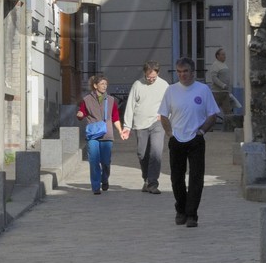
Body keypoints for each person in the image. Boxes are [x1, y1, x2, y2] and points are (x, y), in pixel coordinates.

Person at [159, 57, 219, 227]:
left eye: (185, 71)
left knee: (196, 178)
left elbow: (213, 114)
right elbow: (163, 114)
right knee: (177, 178)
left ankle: (192, 214)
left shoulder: (203, 89)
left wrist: (202, 131)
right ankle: (181, 209)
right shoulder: (171, 90)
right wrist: (170, 133)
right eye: (179, 71)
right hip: (177, 139)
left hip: (196, 139)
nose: (182, 75)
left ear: (192, 72)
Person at [77, 74, 128, 195]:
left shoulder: (111, 100)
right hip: (93, 135)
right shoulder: (86, 100)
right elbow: (82, 113)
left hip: (107, 134)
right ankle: (95, 186)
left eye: (106, 84)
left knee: (106, 162)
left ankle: (104, 179)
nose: (105, 86)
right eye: (102, 84)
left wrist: (120, 131)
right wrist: (79, 114)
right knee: (94, 161)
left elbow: (115, 117)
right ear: (95, 86)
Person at [123, 61, 170, 193]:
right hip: (140, 124)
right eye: (148, 77)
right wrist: (127, 126)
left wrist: (166, 116)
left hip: (157, 122)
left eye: (153, 77)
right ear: (144, 73)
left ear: (158, 73)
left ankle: (153, 183)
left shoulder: (164, 85)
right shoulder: (137, 85)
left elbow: (170, 103)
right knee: (142, 153)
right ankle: (147, 179)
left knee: (155, 152)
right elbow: (130, 106)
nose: (151, 80)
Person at [209, 47, 240, 129]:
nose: (224, 56)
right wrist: (222, 85)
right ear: (217, 56)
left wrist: (227, 88)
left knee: (228, 111)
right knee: (213, 111)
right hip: (217, 93)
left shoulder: (224, 65)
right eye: (222, 55)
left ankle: (229, 128)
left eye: (224, 55)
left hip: (225, 92)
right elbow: (214, 78)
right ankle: (209, 127)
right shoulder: (215, 65)